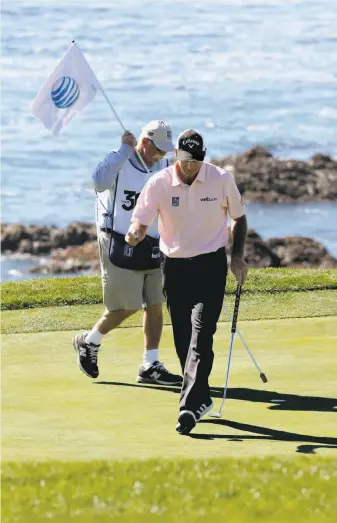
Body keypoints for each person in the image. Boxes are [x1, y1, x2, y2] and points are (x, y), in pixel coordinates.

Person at [126, 129, 248, 435]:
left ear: (203, 157)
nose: (191, 166)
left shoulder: (221, 179)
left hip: (211, 265)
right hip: (175, 267)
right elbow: (141, 220)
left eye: (196, 160)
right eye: (185, 159)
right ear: (176, 155)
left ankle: (189, 406)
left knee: (201, 333)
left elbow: (239, 218)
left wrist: (237, 257)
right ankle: (201, 396)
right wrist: (136, 234)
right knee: (182, 337)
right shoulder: (160, 182)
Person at [72, 120, 182, 386]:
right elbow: (99, 182)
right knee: (127, 306)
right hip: (119, 242)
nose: (162, 155)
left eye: (167, 150)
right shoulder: (119, 160)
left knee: (155, 303)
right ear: (144, 143)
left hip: (154, 242)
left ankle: (150, 364)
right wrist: (122, 150)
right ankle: (89, 341)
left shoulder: (165, 167)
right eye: (158, 149)